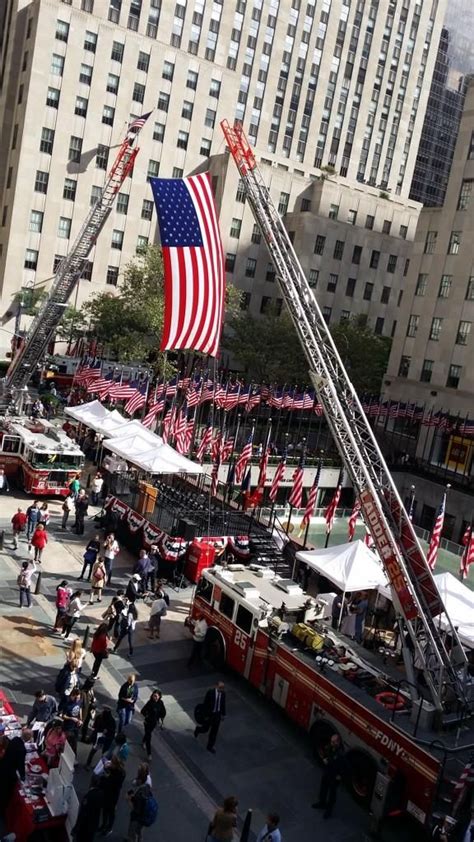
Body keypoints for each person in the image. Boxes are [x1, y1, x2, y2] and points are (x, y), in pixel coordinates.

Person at [311, 733, 346, 819]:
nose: (332, 743)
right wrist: (324, 759)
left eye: (334, 742)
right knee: (323, 788)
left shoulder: (341, 753)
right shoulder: (330, 748)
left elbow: (345, 766)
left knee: (332, 794)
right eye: (331, 741)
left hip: (334, 776)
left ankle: (329, 810)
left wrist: (340, 775)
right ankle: (322, 802)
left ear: (338, 742)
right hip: (327, 772)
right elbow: (326, 754)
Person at [126, 764, 157, 842]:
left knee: (133, 833)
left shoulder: (140, 793)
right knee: (139, 830)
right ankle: (140, 839)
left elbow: (135, 809)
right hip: (144, 816)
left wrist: (129, 799)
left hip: (138, 817)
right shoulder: (147, 785)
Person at [194, 681, 226, 754]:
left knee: (214, 732)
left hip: (217, 715)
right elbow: (205, 704)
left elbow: (223, 704)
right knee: (205, 729)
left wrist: (223, 714)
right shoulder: (210, 693)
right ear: (216, 686)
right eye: (220, 688)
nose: (222, 689)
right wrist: (205, 716)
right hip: (210, 715)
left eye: (223, 688)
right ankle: (198, 730)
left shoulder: (223, 694)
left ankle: (210, 747)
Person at [99, 754, 126, 835]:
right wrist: (106, 767)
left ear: (115, 764)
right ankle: (104, 825)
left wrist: (106, 777)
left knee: (110, 812)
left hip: (112, 796)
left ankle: (109, 828)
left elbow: (111, 784)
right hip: (109, 794)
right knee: (105, 811)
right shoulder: (117, 770)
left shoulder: (120, 774)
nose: (110, 764)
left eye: (112, 763)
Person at [73, 777, 103, 842]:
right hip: (94, 824)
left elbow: (82, 813)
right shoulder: (101, 794)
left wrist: (76, 827)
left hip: (85, 825)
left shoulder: (88, 796)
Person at [141, 689, 166, 760]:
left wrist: (162, 721)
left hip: (154, 723)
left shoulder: (161, 703)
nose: (154, 697)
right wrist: (146, 717)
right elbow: (143, 711)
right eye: (153, 696)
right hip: (148, 722)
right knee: (149, 736)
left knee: (147, 734)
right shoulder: (150, 703)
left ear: (159, 696)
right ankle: (149, 754)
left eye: (156, 696)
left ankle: (143, 741)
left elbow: (163, 712)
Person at [60, 687, 82, 753]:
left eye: (78, 698)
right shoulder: (67, 704)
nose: (77, 700)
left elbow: (80, 708)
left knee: (75, 742)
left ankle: (73, 756)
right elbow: (63, 716)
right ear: (72, 696)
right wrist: (71, 718)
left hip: (76, 726)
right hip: (68, 727)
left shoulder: (79, 700)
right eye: (76, 698)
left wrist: (80, 719)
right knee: (68, 743)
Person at [79, 677, 97, 743]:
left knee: (86, 725)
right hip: (84, 710)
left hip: (89, 710)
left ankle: (83, 737)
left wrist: (93, 699)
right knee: (81, 724)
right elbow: (81, 704)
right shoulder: (82, 692)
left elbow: (91, 696)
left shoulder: (90, 690)